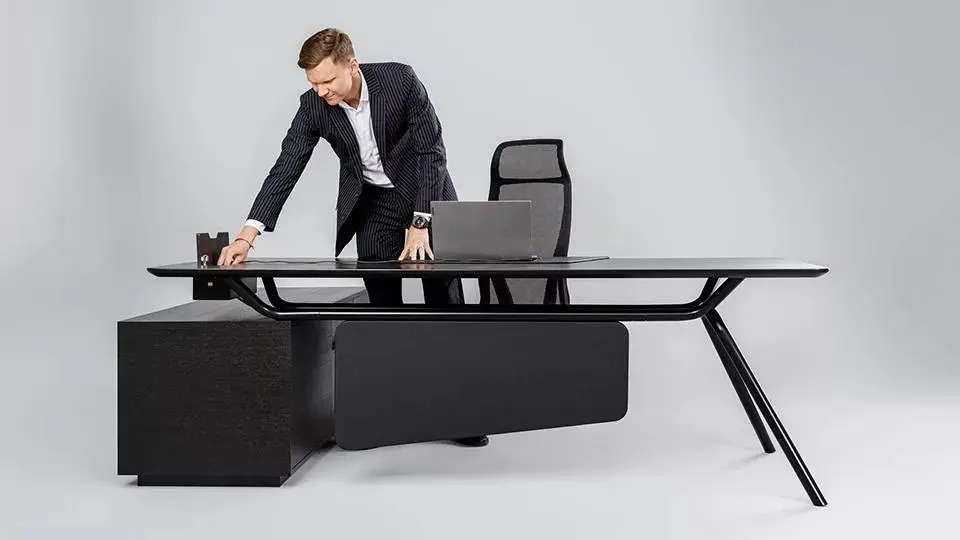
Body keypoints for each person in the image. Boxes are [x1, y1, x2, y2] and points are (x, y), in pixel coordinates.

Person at [217, 28, 487, 447]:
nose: (321, 90)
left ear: (352, 65)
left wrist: (420, 222)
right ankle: (395, 409)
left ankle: (462, 413)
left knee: (445, 303)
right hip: (373, 205)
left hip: (425, 196)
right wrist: (247, 235)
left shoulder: (400, 80)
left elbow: (431, 151)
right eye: (314, 83)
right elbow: (286, 167)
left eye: (328, 81)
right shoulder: (313, 106)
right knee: (383, 314)